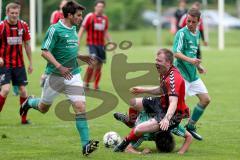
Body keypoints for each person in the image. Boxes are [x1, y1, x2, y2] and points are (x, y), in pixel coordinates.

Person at [19, 1, 99, 156]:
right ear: (69, 15)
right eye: (78, 15)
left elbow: (69, 50)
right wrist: (60, 67)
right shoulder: (54, 29)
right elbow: (45, 51)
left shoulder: (74, 28)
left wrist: (80, 56)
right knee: (43, 108)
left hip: (73, 74)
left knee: (80, 107)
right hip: (55, 76)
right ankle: (29, 102)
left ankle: (86, 145)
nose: (81, 18)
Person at [113, 48, 190, 152]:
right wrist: (142, 90)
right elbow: (161, 90)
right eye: (156, 60)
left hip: (172, 114)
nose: (156, 63)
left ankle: (123, 145)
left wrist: (166, 119)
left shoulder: (173, 78)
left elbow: (173, 102)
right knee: (133, 102)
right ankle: (131, 121)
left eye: (159, 61)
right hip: (161, 103)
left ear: (168, 63)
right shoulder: (164, 71)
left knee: (139, 129)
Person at [173, 8, 211, 141]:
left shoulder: (197, 34)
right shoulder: (181, 33)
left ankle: (190, 126)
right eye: (188, 21)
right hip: (181, 74)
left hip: (192, 74)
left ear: (198, 22)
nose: (189, 24)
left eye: (193, 22)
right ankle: (164, 130)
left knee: (206, 100)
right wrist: (191, 61)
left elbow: (192, 53)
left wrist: (198, 66)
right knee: (178, 106)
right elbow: (176, 53)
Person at [0, 2, 33, 124]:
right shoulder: (2, 26)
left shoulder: (23, 25)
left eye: (16, 13)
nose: (14, 15)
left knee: (23, 91)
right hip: (5, 64)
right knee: (6, 89)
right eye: (12, 13)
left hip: (19, 64)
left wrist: (30, 62)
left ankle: (23, 119)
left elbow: (27, 44)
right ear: (7, 13)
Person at [121, 111, 192, 155]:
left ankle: (128, 121)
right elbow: (127, 148)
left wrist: (181, 152)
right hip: (139, 115)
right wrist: (141, 153)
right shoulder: (144, 133)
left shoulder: (171, 126)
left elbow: (189, 136)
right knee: (134, 127)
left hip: (151, 109)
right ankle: (129, 121)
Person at [78, 0, 112, 90]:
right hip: (91, 44)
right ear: (95, 7)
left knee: (99, 65)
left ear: (103, 8)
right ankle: (86, 83)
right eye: (98, 6)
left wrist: (110, 42)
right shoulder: (90, 16)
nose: (100, 8)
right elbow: (82, 28)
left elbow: (105, 31)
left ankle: (96, 85)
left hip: (101, 45)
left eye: (102, 6)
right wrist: (77, 40)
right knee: (93, 62)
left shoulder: (105, 18)